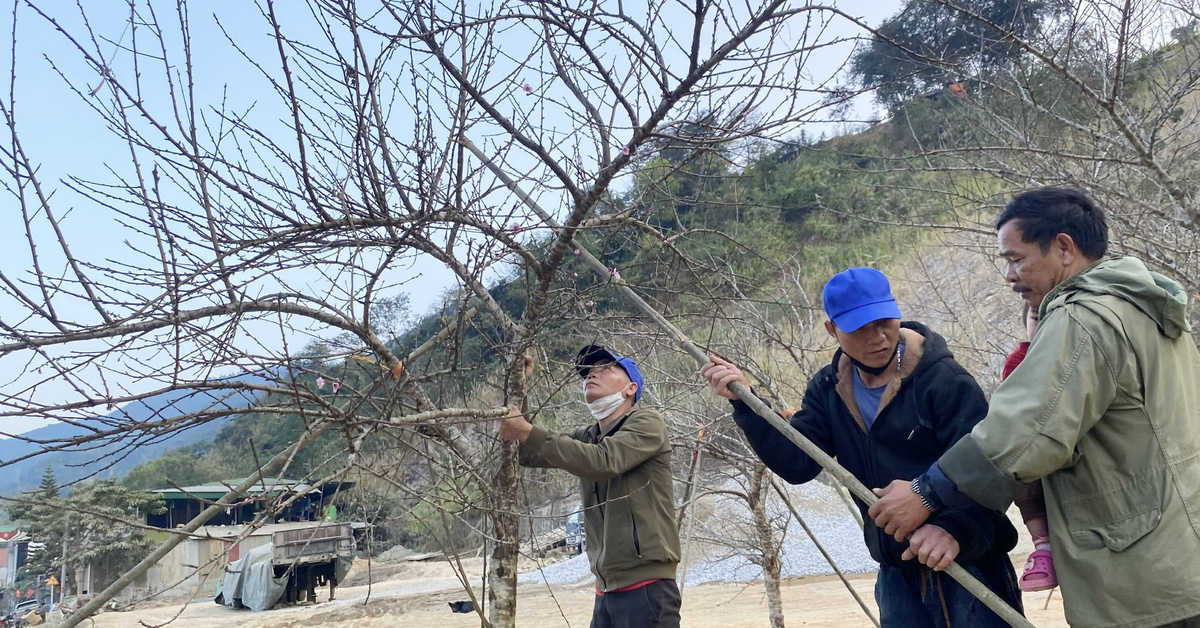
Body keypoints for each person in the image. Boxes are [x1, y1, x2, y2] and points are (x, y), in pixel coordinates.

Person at [869, 187, 1200, 628]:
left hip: (1144, 574)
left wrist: (927, 491)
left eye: (1016, 258)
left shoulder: (1082, 317)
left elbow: (1027, 430)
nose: (1010, 275)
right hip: (1181, 554)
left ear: (1064, 247)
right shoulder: (1144, 307)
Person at [701, 267, 1022, 628]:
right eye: (859, 329)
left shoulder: (945, 381)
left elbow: (992, 468)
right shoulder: (828, 389)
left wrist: (953, 529)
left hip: (967, 564)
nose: (878, 338)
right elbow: (797, 462)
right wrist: (747, 404)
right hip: (897, 573)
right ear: (832, 330)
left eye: (884, 322)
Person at [499, 345, 681, 628]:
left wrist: (526, 430)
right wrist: (520, 390)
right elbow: (528, 452)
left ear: (631, 387)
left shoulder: (647, 422)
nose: (591, 375)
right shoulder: (589, 436)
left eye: (605, 368)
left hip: (647, 585)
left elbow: (602, 461)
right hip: (606, 589)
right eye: (587, 372)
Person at [1006, 304, 1056, 592]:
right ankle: (1042, 544)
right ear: (1025, 321)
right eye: (1036, 317)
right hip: (1035, 440)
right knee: (1020, 468)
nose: (1041, 324)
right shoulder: (1018, 360)